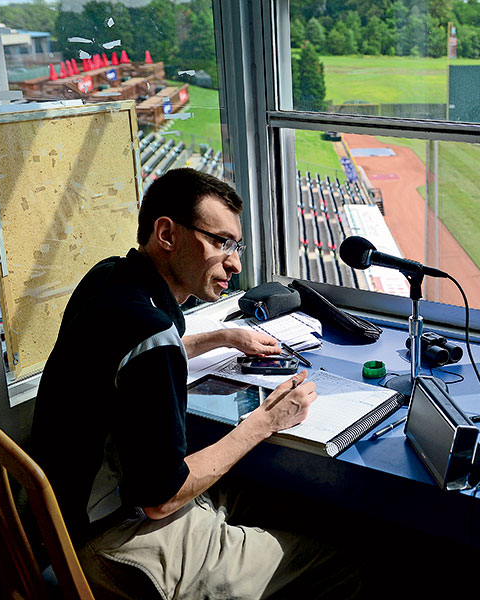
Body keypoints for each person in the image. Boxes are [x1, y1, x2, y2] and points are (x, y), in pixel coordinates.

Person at [32, 168, 356, 599]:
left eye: (235, 245)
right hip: (109, 541)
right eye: (221, 242)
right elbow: (160, 499)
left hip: (57, 517)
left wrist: (221, 336)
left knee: (273, 500)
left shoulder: (107, 279)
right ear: (166, 234)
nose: (235, 262)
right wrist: (266, 421)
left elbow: (121, 357)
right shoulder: (150, 333)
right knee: (344, 560)